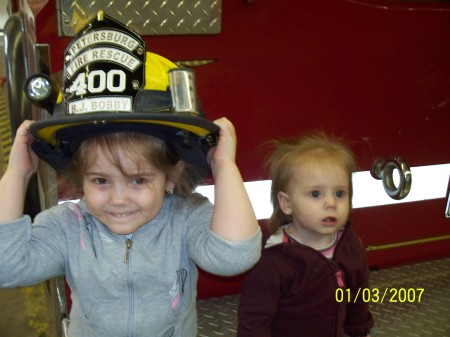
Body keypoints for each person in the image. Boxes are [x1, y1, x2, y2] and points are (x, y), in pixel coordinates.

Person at [0, 12, 261, 337]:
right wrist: (16, 173)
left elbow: (234, 257)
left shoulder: (186, 218)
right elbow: (6, 266)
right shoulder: (67, 228)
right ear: (79, 177)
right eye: (100, 180)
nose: (119, 198)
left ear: (170, 175)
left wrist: (224, 168)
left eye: (138, 180)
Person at [237, 131, 374, 337]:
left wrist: (359, 332)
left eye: (340, 193)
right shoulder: (272, 261)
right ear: (287, 203)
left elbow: (358, 299)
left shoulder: (349, 246)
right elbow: (254, 321)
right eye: (315, 194)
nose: (331, 203)